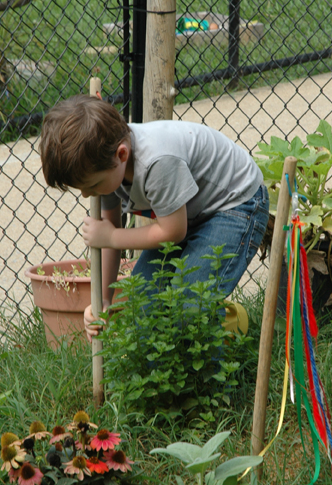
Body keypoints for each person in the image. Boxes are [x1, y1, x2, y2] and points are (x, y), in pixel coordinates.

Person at [40, 94, 269, 342]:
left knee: (191, 304)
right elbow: (108, 239)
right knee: (142, 302)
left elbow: (172, 233)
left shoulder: (157, 163)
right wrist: (104, 300)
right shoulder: (104, 167)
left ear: (121, 155)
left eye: (92, 186)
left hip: (234, 204)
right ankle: (159, 375)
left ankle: (223, 351)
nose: (86, 195)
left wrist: (113, 236)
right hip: (186, 214)